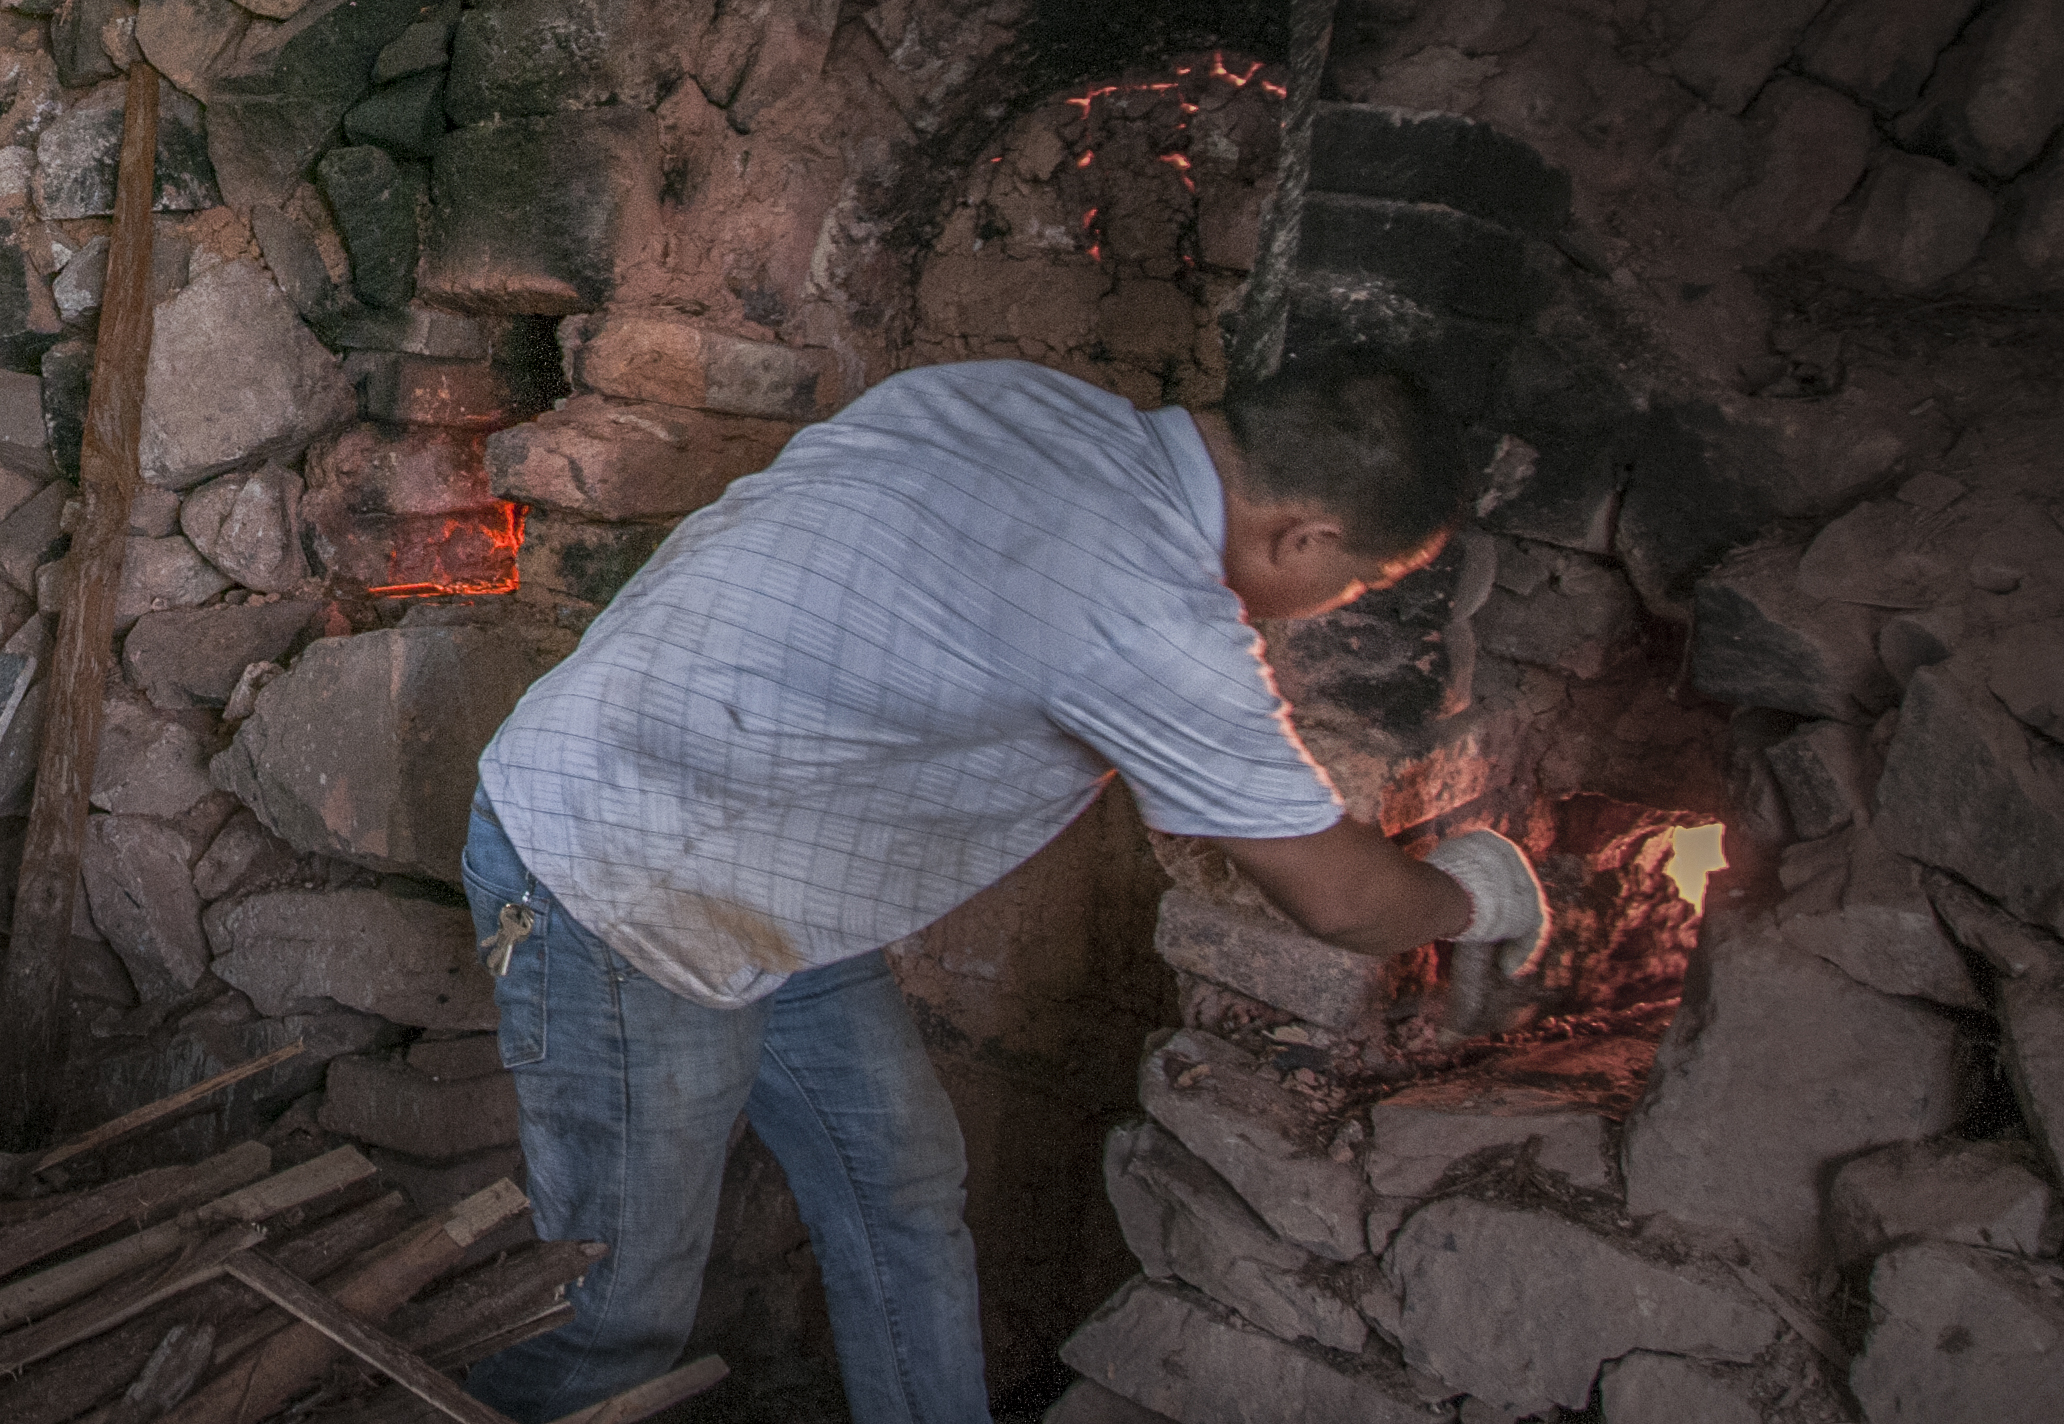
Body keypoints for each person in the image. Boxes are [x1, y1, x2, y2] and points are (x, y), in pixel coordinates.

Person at [463, 355, 1549, 1424]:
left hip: (757, 857)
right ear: (1304, 536)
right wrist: (1474, 896)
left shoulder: (1005, 394)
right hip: (611, 871)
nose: (1323, 606)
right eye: (1351, 584)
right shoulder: (1155, 617)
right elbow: (1343, 899)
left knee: (900, 1184)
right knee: (615, 1301)